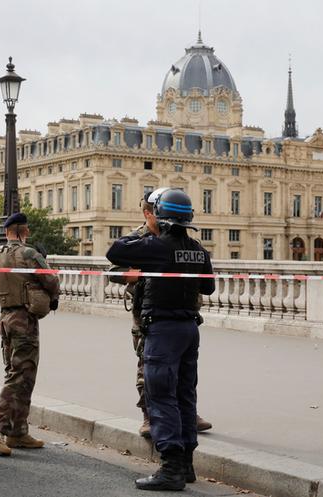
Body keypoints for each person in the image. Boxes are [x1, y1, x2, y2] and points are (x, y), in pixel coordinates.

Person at [107, 188, 215, 491]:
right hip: (189, 330)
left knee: (161, 396)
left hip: (163, 330)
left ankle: (170, 468)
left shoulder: (155, 246)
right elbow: (208, 289)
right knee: (185, 396)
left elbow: (115, 251)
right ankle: (187, 464)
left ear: (159, 215)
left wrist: (150, 232)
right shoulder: (198, 249)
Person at [0, 212, 60, 456]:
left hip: (6, 319)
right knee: (20, 375)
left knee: (20, 374)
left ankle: (17, 431)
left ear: (7, 232)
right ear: (25, 232)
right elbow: (52, 283)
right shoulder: (30, 254)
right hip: (25, 319)